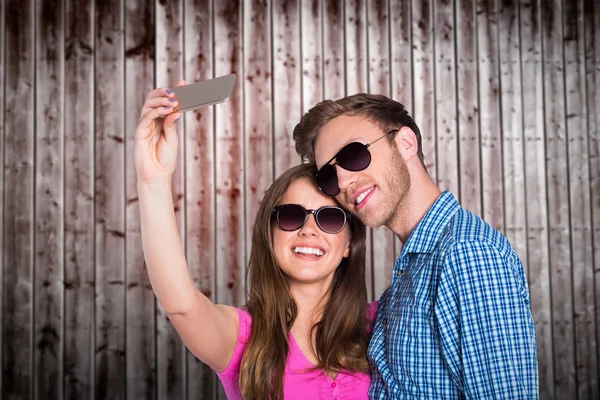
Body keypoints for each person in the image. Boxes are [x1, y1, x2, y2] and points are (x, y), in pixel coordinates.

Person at [134, 83, 377, 400]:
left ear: (348, 244)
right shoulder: (242, 336)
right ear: (270, 232)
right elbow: (181, 307)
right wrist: (154, 180)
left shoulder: (380, 326)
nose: (309, 229)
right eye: (292, 215)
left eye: (329, 219)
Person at [292, 93, 539, 399]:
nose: (342, 182)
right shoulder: (415, 266)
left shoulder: (467, 253)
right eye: (328, 175)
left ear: (406, 143)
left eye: (353, 156)